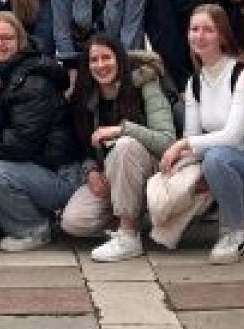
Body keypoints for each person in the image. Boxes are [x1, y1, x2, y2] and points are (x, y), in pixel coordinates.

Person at [148, 5, 244, 262]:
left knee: (216, 157)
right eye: (194, 29)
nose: (200, 36)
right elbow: (193, 136)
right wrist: (177, 164)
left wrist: (181, 145)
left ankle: (235, 232)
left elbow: (232, 136)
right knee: (199, 163)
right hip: (224, 163)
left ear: (222, 36)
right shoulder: (194, 82)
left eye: (208, 29)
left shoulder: (242, 74)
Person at [60, 36, 176, 262]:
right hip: (111, 174)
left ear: (120, 59)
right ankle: (127, 214)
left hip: (153, 170)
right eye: (94, 60)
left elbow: (167, 141)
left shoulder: (145, 82)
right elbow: (82, 145)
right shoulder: (85, 94)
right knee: (73, 222)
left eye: (107, 57)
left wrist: (122, 130)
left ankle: (128, 235)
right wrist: (91, 170)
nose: (101, 65)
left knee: (124, 146)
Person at [0, 13, 80, 251]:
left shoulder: (32, 81)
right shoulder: (2, 74)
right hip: (40, 168)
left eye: (6, 38)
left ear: (20, 41)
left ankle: (33, 230)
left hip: (61, 176)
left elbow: (21, 141)